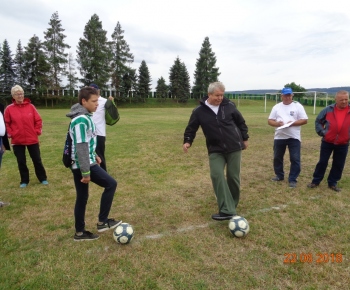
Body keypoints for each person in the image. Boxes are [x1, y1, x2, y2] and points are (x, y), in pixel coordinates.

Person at [183, 82, 249, 221]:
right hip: (215, 149)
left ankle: (232, 205)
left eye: (222, 95)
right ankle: (227, 209)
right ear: (209, 94)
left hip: (234, 147)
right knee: (216, 175)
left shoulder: (229, 106)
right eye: (217, 95)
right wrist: (188, 141)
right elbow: (191, 128)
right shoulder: (199, 111)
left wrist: (245, 138)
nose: (220, 98)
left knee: (233, 177)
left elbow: (240, 122)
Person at [66, 86, 121, 241]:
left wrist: (95, 154)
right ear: (84, 101)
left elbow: (86, 140)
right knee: (111, 184)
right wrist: (85, 172)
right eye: (94, 101)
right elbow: (81, 147)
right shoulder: (81, 120)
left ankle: (79, 232)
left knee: (82, 197)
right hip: (83, 165)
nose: (97, 104)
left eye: (97, 100)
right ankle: (103, 222)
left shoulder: (85, 116)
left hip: (85, 162)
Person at [4, 85, 48, 188]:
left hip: (32, 139)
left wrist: (36, 131)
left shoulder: (31, 107)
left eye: (21, 93)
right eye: (17, 94)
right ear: (13, 96)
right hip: (17, 140)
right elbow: (6, 123)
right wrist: (11, 133)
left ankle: (42, 178)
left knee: (37, 159)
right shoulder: (9, 109)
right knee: (21, 161)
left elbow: (38, 120)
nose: (20, 96)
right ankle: (24, 180)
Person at [307, 90, 350, 192]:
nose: (344, 102)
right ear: (336, 100)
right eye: (341, 100)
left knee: (338, 164)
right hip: (327, 142)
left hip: (343, 143)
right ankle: (316, 181)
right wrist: (323, 132)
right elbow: (318, 121)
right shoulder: (328, 110)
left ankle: (332, 183)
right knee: (322, 162)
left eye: (346, 99)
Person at [268, 87, 308, 188]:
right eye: (285, 95)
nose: (287, 97)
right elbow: (270, 121)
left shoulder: (297, 106)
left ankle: (293, 179)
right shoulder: (276, 107)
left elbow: (304, 120)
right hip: (279, 137)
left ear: (292, 95)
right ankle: (279, 175)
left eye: (289, 95)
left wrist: (293, 123)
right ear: (282, 96)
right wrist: (277, 123)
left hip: (294, 137)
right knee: (277, 157)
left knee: (295, 158)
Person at [89, 83, 115, 172]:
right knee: (87, 152)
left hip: (99, 132)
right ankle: (89, 169)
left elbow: (113, 114)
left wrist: (111, 102)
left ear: (98, 91)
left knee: (99, 153)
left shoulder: (104, 101)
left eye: (94, 90)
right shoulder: (87, 101)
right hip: (88, 132)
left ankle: (103, 171)